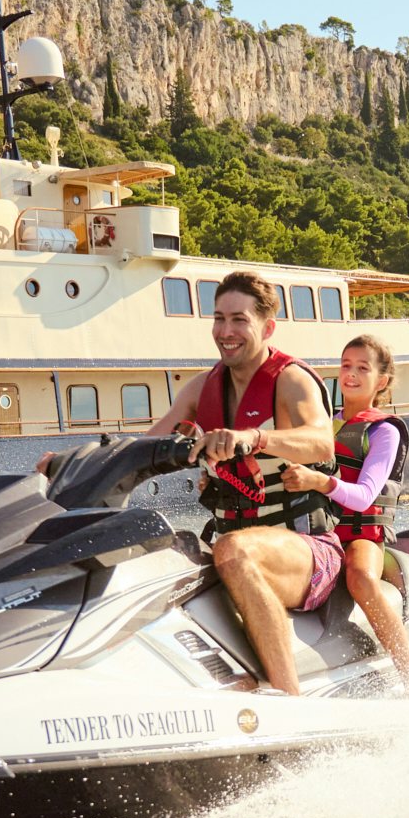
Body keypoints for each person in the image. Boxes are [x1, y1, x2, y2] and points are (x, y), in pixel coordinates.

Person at [145, 268, 337, 695]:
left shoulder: (290, 380)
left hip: (309, 551)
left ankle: (290, 702)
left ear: (267, 327)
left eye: (238, 320)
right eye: (218, 318)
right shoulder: (201, 388)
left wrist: (256, 437)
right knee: (157, 551)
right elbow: (147, 443)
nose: (225, 331)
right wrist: (76, 461)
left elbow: (322, 442)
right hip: (234, 544)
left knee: (232, 550)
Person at [280, 336, 409, 691]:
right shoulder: (321, 425)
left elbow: (363, 496)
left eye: (362, 368)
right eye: (345, 365)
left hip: (361, 534)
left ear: (381, 381)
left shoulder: (384, 431)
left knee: (361, 578)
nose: (351, 374)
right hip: (318, 529)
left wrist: (320, 481)